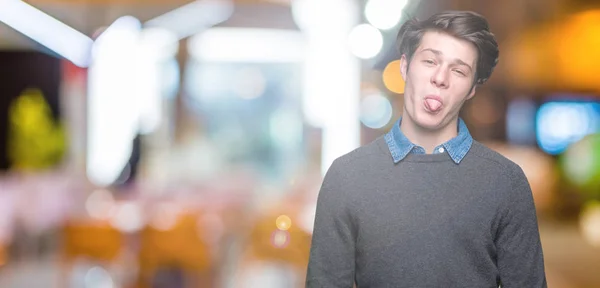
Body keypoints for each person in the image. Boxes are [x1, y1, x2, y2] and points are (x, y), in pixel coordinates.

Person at [306, 10, 547, 288]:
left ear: (471, 89)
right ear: (405, 67)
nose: (440, 78)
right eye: (430, 61)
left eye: (459, 70)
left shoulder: (506, 182)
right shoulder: (347, 176)